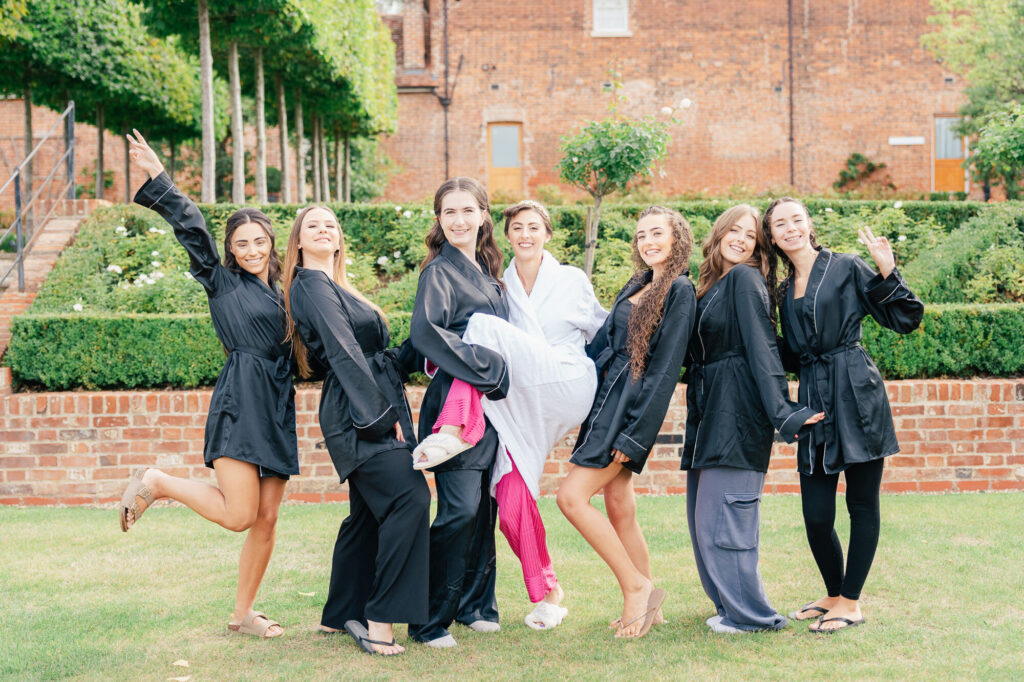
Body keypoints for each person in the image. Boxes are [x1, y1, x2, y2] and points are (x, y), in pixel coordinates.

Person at [119, 130, 297, 639]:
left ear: (271, 243)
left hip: (276, 406)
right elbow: (192, 226)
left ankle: (243, 615)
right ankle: (157, 482)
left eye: (259, 241)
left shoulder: (289, 291)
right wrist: (160, 177)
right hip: (241, 400)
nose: (251, 250)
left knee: (267, 519)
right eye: (241, 244)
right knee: (240, 515)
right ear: (230, 250)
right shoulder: (221, 282)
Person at [413, 200, 608, 630]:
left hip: (564, 378)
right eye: (517, 227)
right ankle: (548, 592)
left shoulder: (571, 279)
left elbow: (603, 331)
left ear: (548, 233)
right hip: (520, 397)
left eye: (534, 227)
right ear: (506, 234)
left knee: (480, 327)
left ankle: (453, 425)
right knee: (510, 494)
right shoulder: (502, 284)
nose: (525, 234)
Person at [762, 197, 923, 633]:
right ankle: (833, 594)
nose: (790, 228)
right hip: (814, 399)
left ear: (808, 224)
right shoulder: (782, 291)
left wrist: (888, 272)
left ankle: (850, 603)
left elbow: (905, 319)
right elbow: (794, 355)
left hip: (856, 393)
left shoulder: (847, 267)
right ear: (772, 236)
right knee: (816, 515)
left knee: (861, 503)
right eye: (780, 224)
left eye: (796, 219)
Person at [282, 205, 430, 656]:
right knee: (409, 497)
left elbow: (377, 354)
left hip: (372, 399)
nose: (323, 229)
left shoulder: (339, 286)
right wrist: (381, 417)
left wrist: (427, 339)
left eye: (330, 224)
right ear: (299, 242)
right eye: (312, 225)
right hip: (357, 412)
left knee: (367, 514)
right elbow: (344, 352)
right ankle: (379, 619)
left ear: (339, 239)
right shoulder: (310, 284)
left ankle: (341, 611)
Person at [682, 204, 824, 634]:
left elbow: (763, 348)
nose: (741, 240)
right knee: (703, 521)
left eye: (751, 236)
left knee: (727, 522)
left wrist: (784, 411)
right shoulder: (710, 286)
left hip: (738, 414)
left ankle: (753, 617)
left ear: (759, 248)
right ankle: (729, 607)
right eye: (735, 231)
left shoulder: (744, 280)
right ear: (719, 233)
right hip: (708, 414)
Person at [556, 206, 696, 639]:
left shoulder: (680, 289)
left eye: (657, 233)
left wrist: (635, 434)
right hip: (605, 399)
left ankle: (636, 586)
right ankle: (648, 602)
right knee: (618, 502)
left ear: (677, 239)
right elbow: (601, 344)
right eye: (641, 236)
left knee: (571, 498)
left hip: (630, 407)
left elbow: (665, 369)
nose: (647, 242)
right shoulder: (639, 282)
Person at [406, 177, 510, 649]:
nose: (459, 220)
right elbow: (427, 334)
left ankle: (475, 605)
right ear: (439, 219)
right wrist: (491, 368)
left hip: (493, 406)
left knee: (484, 507)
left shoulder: (488, 272)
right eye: (449, 212)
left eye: (468, 210)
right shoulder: (439, 272)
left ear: (484, 215)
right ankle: (428, 619)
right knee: (460, 510)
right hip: (457, 403)